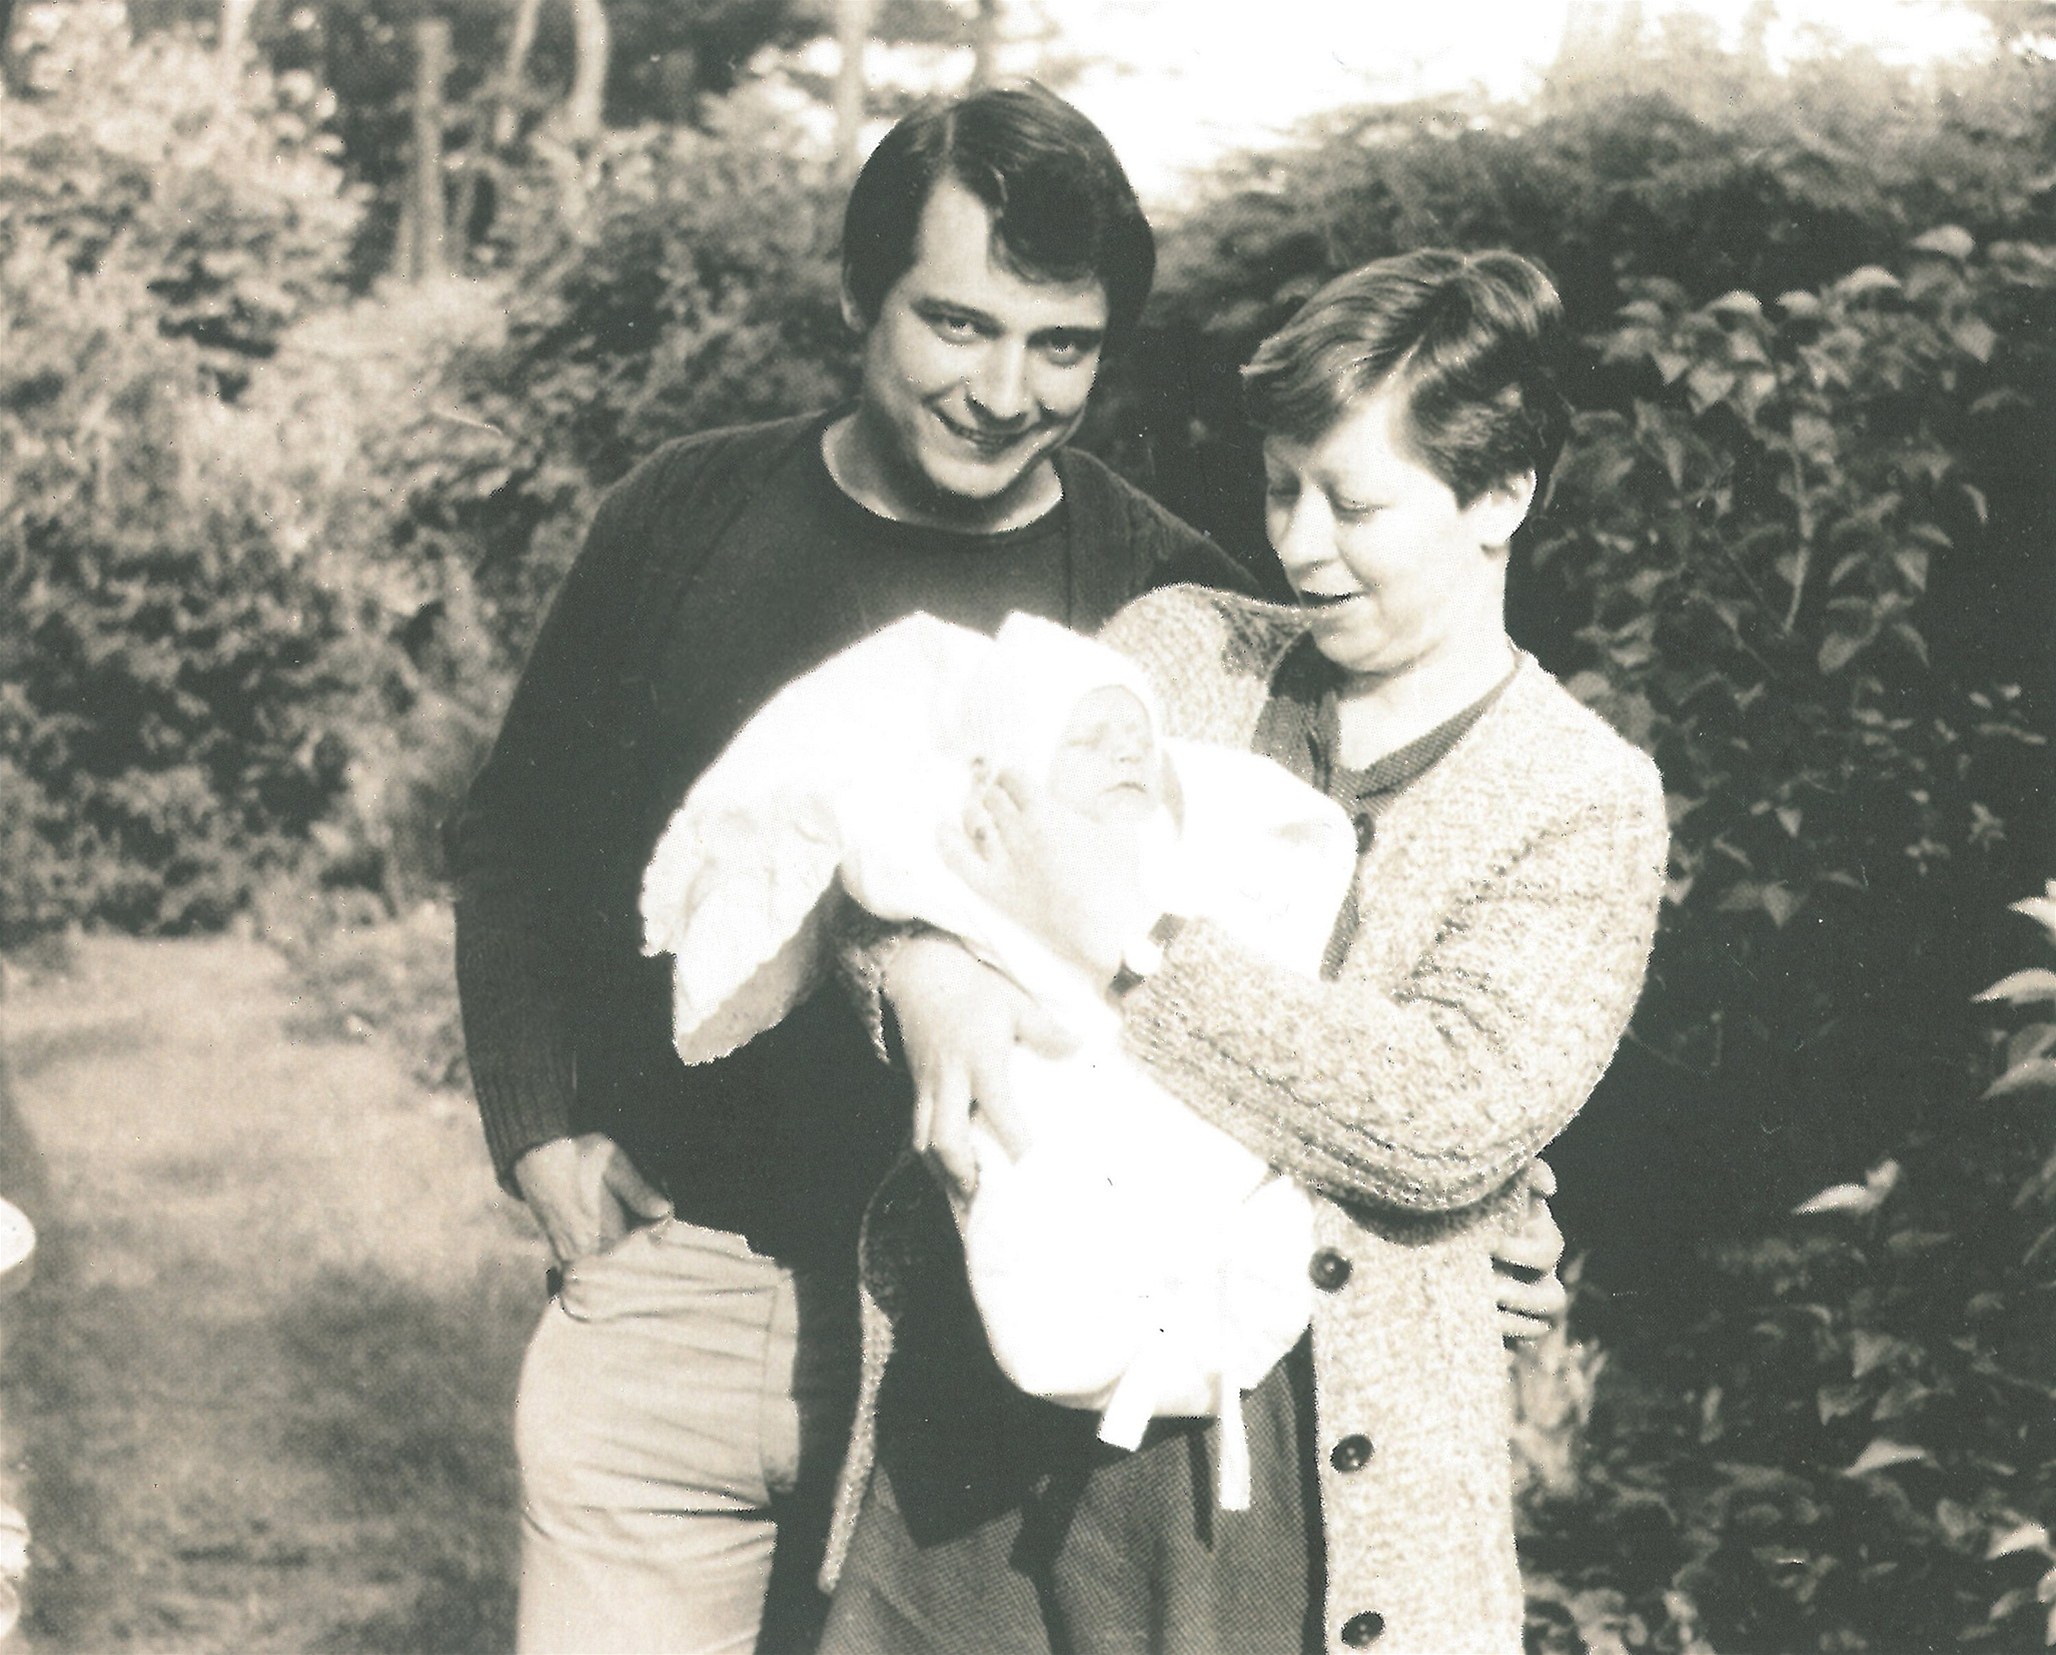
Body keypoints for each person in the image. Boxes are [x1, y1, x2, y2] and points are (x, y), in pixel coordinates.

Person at [446, 78, 1566, 1654]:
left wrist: (1491, 1210)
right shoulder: (682, 516)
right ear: (861, 295)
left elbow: (1297, 938)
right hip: (680, 1284)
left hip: (979, 1353)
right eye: (958, 324)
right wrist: (539, 1128)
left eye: (1063, 345)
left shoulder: (1166, 604)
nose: (1004, 389)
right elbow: (519, 833)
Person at [821, 250, 1670, 1655]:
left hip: (1274, 1493)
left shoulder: (1580, 796)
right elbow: (917, 846)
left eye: (1354, 503)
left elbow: (1442, 1113)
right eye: (1280, 488)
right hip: (984, 1428)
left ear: (1502, 498)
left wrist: (1121, 934)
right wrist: (925, 979)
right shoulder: (1182, 653)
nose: (1299, 545)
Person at [636, 609, 1358, 1509]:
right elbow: (873, 865)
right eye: (1087, 739)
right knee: (1030, 1198)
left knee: (1217, 1203)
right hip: (1031, 1085)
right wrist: (920, 967)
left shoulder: (1181, 842)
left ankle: (1193, 1329)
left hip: (1195, 1102)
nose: (1126, 751)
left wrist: (1128, 922)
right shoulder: (1154, 655)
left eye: (1138, 738)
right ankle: (1098, 1339)